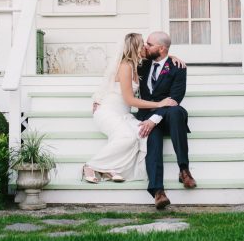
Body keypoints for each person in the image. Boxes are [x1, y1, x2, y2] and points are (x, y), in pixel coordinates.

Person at [82, 33, 178, 184]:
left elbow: (160, 54)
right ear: (136, 48)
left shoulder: (136, 64)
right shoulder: (125, 66)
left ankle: (110, 169)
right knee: (127, 137)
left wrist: (172, 58)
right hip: (108, 112)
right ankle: (90, 165)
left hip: (123, 114)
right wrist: (159, 104)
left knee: (141, 134)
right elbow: (129, 100)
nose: (146, 47)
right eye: (143, 45)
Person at [136, 31, 196, 210]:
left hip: (170, 117)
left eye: (149, 44)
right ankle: (158, 191)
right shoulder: (142, 64)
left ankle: (184, 169)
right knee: (152, 135)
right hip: (146, 115)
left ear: (161, 48)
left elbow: (175, 98)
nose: (145, 46)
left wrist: (155, 118)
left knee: (176, 110)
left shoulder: (178, 68)